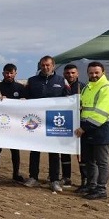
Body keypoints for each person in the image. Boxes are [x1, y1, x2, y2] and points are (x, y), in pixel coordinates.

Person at [23, 55, 70, 192]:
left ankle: (54, 180)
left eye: (48, 65)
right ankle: (33, 178)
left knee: (54, 151)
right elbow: (25, 97)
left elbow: (69, 99)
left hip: (54, 121)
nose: (45, 67)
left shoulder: (62, 81)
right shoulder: (32, 81)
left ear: (53, 66)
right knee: (35, 149)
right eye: (43, 65)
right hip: (35, 121)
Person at [74, 61, 109, 200]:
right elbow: (83, 106)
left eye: (96, 73)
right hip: (89, 130)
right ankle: (91, 185)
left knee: (102, 161)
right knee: (90, 160)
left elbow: (101, 114)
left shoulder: (107, 89)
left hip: (102, 130)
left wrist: (83, 128)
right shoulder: (87, 87)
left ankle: (101, 189)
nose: (93, 75)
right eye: (91, 73)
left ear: (103, 73)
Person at [0, 63, 27, 183]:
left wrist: (24, 101)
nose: (9, 75)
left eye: (11, 73)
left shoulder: (21, 88)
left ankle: (16, 173)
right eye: (6, 73)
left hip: (15, 124)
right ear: (3, 73)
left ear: (15, 73)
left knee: (15, 150)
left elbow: (28, 105)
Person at [62, 63, 85, 187]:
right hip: (64, 124)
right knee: (64, 151)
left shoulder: (83, 87)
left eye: (73, 73)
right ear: (64, 74)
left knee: (80, 153)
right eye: (67, 73)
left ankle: (84, 179)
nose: (70, 75)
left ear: (77, 73)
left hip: (79, 126)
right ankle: (66, 177)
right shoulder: (62, 86)